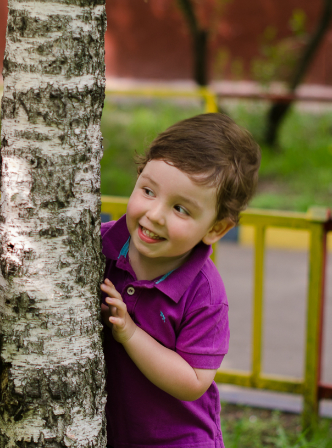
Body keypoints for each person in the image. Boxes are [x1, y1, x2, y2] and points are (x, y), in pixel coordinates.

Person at [100, 113, 261, 448]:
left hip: (179, 440)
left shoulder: (203, 292)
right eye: (148, 191)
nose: (155, 214)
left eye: (181, 209)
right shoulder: (98, 246)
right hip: (110, 433)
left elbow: (193, 381)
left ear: (216, 229)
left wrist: (130, 333)